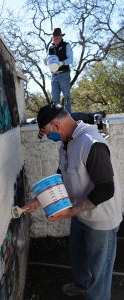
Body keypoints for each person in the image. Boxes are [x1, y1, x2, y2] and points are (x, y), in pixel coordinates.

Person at [23, 104, 123, 300]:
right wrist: (38, 200)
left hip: (100, 219)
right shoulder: (66, 142)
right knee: (78, 256)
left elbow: (106, 189)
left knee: (99, 270)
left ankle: (97, 296)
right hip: (79, 212)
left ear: (57, 125)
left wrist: (70, 212)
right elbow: (61, 176)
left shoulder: (92, 144)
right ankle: (81, 284)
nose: (49, 139)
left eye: (47, 133)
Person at [47, 28, 73, 112]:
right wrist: (47, 61)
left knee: (67, 96)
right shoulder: (50, 47)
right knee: (55, 98)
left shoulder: (66, 45)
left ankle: (68, 116)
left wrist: (62, 63)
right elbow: (47, 59)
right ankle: (57, 117)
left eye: (57, 38)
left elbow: (71, 59)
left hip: (64, 74)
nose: (55, 40)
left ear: (61, 37)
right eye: (53, 38)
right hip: (54, 75)